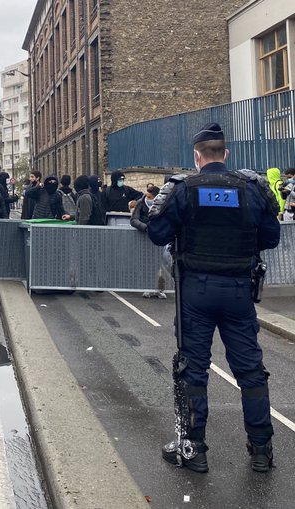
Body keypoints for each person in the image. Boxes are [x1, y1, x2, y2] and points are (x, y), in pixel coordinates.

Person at [148, 122, 281, 473]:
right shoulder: (251, 187)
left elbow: (157, 231)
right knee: (251, 371)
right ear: (226, 154)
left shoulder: (183, 188)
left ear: (197, 156)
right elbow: (271, 237)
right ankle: (262, 450)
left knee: (192, 369)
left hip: (196, 290)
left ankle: (193, 449)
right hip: (238, 289)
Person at [131, 186, 165, 299]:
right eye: (146, 195)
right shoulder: (141, 203)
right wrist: (145, 227)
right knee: (145, 262)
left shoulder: (162, 204)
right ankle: (146, 287)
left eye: (149, 196)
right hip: (144, 236)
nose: (147, 197)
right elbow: (133, 220)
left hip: (157, 237)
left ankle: (158, 289)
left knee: (158, 264)